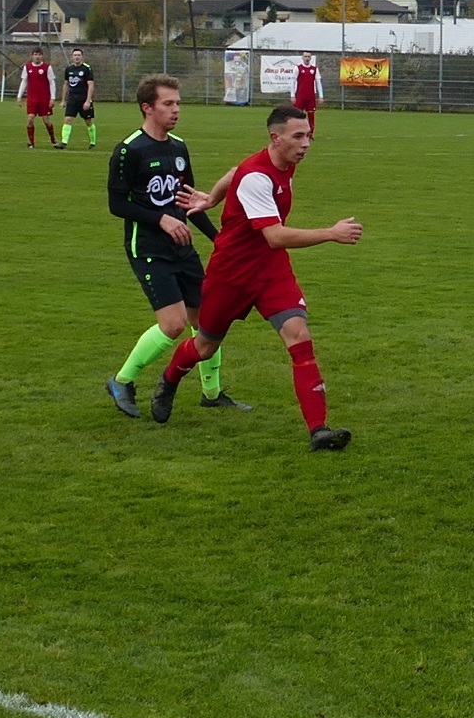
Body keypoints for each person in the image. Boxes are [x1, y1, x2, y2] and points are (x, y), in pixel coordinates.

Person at [159, 105, 361, 451]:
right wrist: (331, 233)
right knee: (205, 346)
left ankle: (319, 430)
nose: (306, 143)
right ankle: (169, 380)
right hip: (232, 273)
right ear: (275, 138)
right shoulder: (257, 176)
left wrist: (212, 197)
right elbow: (275, 236)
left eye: (308, 136)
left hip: (270, 271)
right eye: (298, 136)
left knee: (299, 336)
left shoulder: (283, 161)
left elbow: (233, 172)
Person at [103, 74, 243, 418]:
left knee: (208, 323)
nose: (176, 109)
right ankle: (122, 381)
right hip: (148, 248)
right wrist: (161, 219)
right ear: (147, 108)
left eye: (178, 103)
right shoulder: (129, 150)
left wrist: (218, 239)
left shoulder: (178, 147)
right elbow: (117, 204)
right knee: (173, 325)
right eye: (168, 103)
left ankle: (212, 394)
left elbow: (190, 201)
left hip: (182, 248)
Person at [17, 47, 60, 149]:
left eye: (39, 54)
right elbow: (24, 82)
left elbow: (52, 83)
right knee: (30, 118)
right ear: (32, 56)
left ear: (42, 56)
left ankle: (53, 139)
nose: (37, 57)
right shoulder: (27, 67)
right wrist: (19, 97)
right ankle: (31, 143)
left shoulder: (47, 67)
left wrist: (52, 98)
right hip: (32, 99)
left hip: (44, 99)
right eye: (35, 54)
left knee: (46, 120)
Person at [61, 48, 98, 149]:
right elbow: (66, 84)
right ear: (72, 57)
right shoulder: (69, 69)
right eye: (75, 55)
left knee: (88, 121)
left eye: (78, 55)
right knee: (68, 120)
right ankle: (64, 143)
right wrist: (63, 100)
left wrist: (88, 101)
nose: (77, 57)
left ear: (82, 57)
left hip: (83, 98)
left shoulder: (87, 69)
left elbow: (90, 85)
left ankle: (93, 142)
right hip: (72, 98)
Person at [293, 52, 323, 134]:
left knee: (311, 114)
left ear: (310, 58)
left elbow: (318, 82)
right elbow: (293, 82)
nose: (307, 58)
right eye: (305, 56)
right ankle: (297, 131)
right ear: (302, 57)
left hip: (310, 95)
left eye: (308, 57)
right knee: (297, 114)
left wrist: (321, 96)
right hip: (300, 95)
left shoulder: (314, 69)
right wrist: (292, 95)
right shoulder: (298, 68)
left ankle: (310, 133)